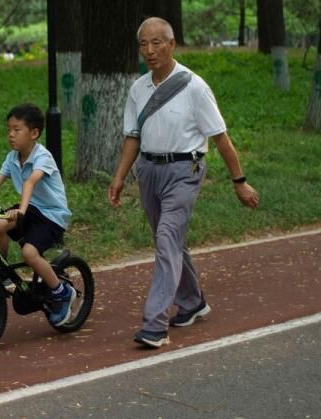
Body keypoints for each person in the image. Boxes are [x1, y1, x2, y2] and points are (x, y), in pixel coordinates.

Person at [107, 17, 260, 349]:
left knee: (166, 238)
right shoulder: (138, 89)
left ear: (172, 44)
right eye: (143, 44)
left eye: (157, 43)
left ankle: (154, 325)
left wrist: (240, 181)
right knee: (170, 240)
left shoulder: (194, 87)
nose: (150, 50)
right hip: (149, 170)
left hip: (184, 170)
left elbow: (221, 139)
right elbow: (132, 137)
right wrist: (119, 178)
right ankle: (192, 302)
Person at [0, 103, 76, 326]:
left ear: (34, 133)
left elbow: (30, 182)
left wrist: (21, 210)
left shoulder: (42, 156)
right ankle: (3, 274)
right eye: (8, 129)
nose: (11, 134)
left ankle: (62, 292)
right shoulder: (12, 157)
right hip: (30, 208)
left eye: (17, 129)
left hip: (51, 215)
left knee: (29, 253)